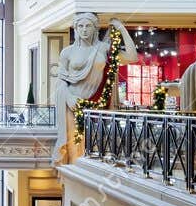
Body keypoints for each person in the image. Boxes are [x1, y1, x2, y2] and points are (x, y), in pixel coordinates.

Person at [52, 12, 137, 164]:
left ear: (95, 28)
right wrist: (69, 97)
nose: (84, 29)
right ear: (76, 28)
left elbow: (132, 57)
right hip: (72, 104)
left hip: (96, 104)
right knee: (75, 145)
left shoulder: (103, 48)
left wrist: (121, 28)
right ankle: (75, 176)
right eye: (80, 26)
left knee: (95, 143)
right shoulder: (68, 52)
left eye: (88, 26)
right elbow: (61, 81)